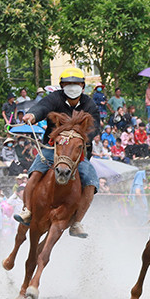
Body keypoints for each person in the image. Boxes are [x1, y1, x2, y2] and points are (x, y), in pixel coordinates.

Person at [13, 68, 100, 238]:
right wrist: (32, 115)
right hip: (52, 148)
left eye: (76, 83)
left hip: (76, 154)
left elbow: (95, 128)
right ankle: (27, 210)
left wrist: (78, 138)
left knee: (91, 181)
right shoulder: (55, 98)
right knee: (35, 173)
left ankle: (76, 223)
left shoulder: (90, 104)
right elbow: (42, 107)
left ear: (82, 86)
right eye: (68, 83)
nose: (72, 87)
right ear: (61, 86)